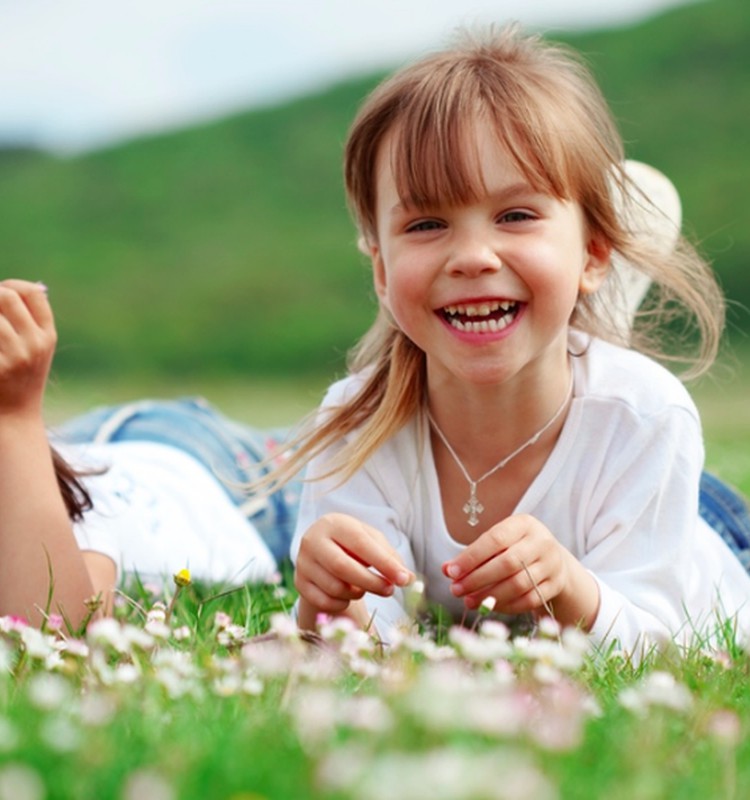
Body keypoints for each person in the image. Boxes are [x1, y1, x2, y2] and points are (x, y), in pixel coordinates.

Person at [284, 24, 750, 655]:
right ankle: (556, 294)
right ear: (382, 273)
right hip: (608, 474)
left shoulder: (646, 416)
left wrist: (572, 593)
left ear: (593, 251)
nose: (472, 256)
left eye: (515, 215)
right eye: (426, 223)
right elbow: (371, 648)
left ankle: (582, 318)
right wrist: (324, 602)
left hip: (708, 540)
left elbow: (664, 639)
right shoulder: (356, 422)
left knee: (643, 445)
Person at [0, 278, 300, 625]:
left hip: (211, 474)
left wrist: (16, 415)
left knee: (351, 454)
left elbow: (54, 629)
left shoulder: (61, 514)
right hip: (85, 442)